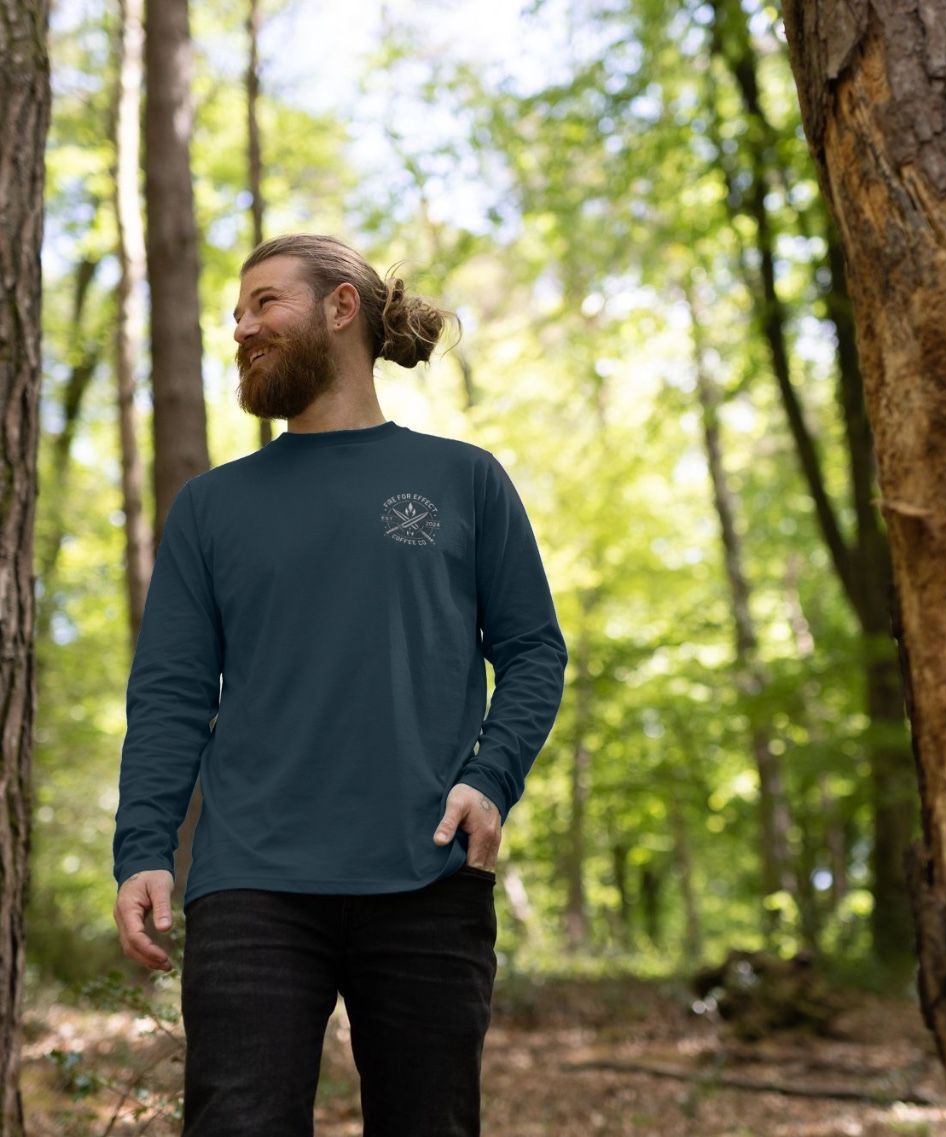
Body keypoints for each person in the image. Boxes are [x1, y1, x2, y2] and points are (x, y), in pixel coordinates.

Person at [111, 233, 568, 1137]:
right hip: (251, 882)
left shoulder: (463, 478)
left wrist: (492, 777)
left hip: (428, 870)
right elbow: (169, 690)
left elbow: (532, 651)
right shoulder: (212, 505)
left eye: (263, 303)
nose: (241, 328)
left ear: (341, 308)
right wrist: (145, 846)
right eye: (236, 313)